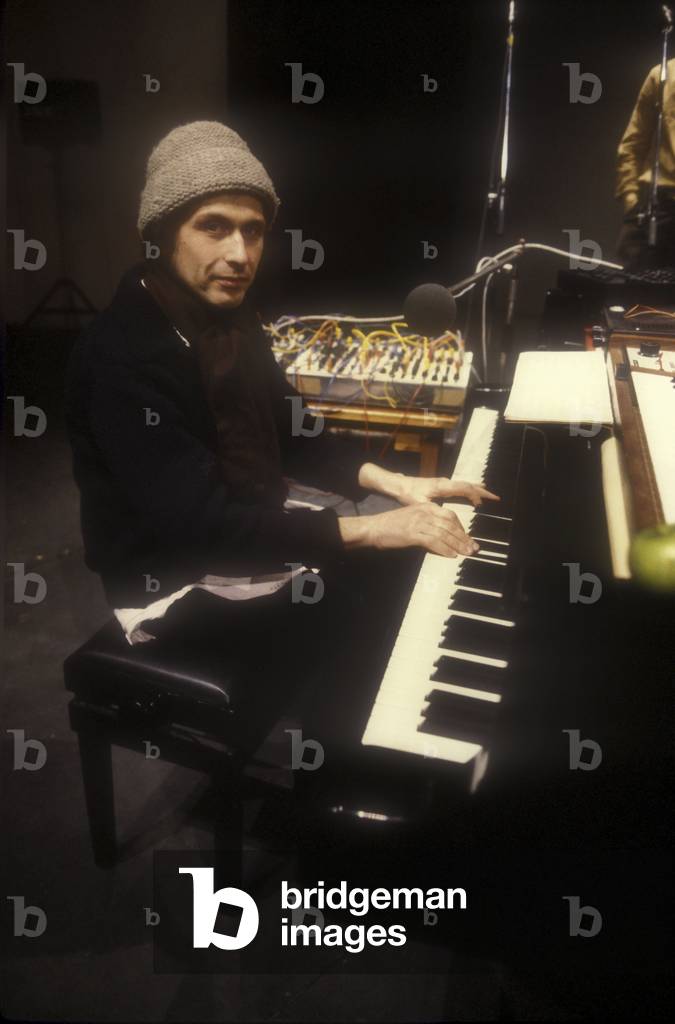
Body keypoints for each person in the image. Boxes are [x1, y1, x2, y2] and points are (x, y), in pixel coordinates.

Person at [65, 121, 496, 739]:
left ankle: (349, 740)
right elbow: (204, 527)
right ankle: (339, 769)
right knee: (374, 594)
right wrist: (374, 529)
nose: (240, 254)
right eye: (213, 226)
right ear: (160, 234)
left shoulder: (230, 317)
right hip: (171, 579)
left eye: (253, 230)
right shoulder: (121, 356)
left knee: (394, 562)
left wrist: (399, 484)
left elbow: (294, 429)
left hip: (234, 527)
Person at [615, 57, 675, 269]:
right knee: (636, 285)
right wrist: (631, 199)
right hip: (661, 206)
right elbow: (633, 143)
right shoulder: (662, 75)